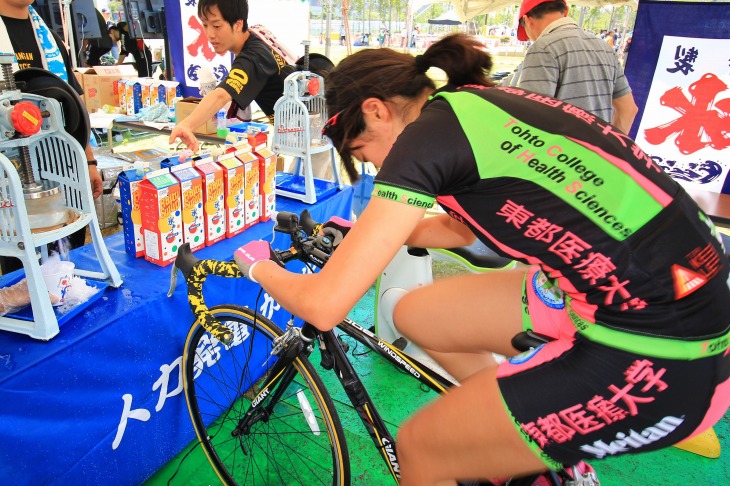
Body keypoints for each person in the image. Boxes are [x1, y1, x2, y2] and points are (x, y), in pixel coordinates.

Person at [230, 34, 730, 484]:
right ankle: (524, 445)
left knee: (421, 447)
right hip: (671, 290)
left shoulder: (424, 141)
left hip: (667, 350)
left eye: (364, 151)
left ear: (378, 110)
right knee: (412, 313)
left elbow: (324, 306)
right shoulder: (464, 107)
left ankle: (537, 436)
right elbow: (462, 225)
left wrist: (257, 264)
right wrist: (367, 233)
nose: (376, 167)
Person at [0, 0, 103, 273]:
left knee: (69, 250)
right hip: (11, 175)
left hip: (62, 165)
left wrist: (89, 161)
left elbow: (73, 102)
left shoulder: (48, 37)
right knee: (21, 259)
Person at [168, 0, 289, 153]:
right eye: (205, 25)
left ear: (238, 24)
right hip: (299, 131)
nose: (210, 35)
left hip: (314, 133)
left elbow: (221, 96)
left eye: (217, 26)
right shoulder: (256, 35)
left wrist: (187, 124)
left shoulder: (252, 57)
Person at [504, 0, 638, 134]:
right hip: (596, 151)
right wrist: (609, 148)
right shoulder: (605, 48)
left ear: (527, 20)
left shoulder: (543, 47)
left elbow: (533, 114)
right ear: (566, 11)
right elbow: (628, 109)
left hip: (558, 152)